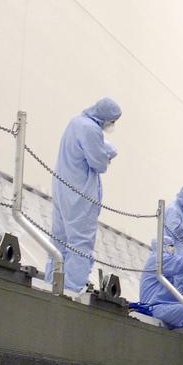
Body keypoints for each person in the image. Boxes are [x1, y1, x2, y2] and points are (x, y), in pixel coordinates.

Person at [45, 97, 121, 292]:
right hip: (79, 194)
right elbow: (98, 163)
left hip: (63, 188)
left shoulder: (75, 122)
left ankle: (50, 281)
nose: (111, 125)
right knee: (80, 243)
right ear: (106, 117)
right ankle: (71, 288)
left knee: (59, 240)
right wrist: (109, 153)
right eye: (112, 121)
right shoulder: (91, 129)